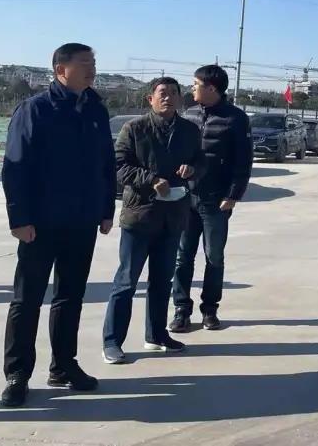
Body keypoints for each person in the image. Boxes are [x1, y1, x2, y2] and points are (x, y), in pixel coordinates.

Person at [0, 43, 116, 408]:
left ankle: (64, 365)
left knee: (70, 296)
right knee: (28, 299)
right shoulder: (35, 109)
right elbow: (15, 166)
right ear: (60, 69)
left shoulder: (95, 109)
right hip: (41, 222)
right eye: (84, 63)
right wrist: (19, 218)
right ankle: (18, 373)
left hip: (82, 220)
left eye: (93, 62)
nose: (92, 69)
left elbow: (106, 163)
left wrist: (106, 208)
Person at [102, 77, 205, 364]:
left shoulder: (189, 130)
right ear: (150, 99)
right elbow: (119, 166)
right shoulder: (134, 129)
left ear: (181, 100)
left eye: (173, 93)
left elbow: (201, 161)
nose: (168, 98)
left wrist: (192, 169)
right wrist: (150, 180)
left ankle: (156, 335)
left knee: (162, 281)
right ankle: (112, 341)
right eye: (162, 93)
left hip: (173, 216)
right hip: (140, 216)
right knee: (126, 281)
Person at [170, 64, 252, 333]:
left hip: (216, 201)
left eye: (196, 84)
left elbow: (243, 162)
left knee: (214, 257)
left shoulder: (236, 119)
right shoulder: (189, 114)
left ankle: (210, 310)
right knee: (183, 257)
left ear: (212, 88)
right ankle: (181, 309)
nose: (192, 88)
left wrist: (233, 195)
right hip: (186, 198)